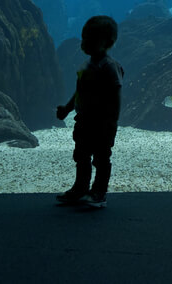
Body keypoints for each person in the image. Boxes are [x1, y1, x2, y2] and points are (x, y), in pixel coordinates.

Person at [56, 15, 124, 208]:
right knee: (81, 156)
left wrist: (112, 121)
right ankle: (80, 188)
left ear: (108, 42)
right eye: (84, 38)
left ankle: (99, 192)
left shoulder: (110, 67)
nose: (84, 43)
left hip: (103, 123)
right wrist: (67, 109)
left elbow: (115, 94)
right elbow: (80, 91)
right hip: (83, 120)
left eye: (91, 39)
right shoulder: (85, 65)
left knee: (102, 158)